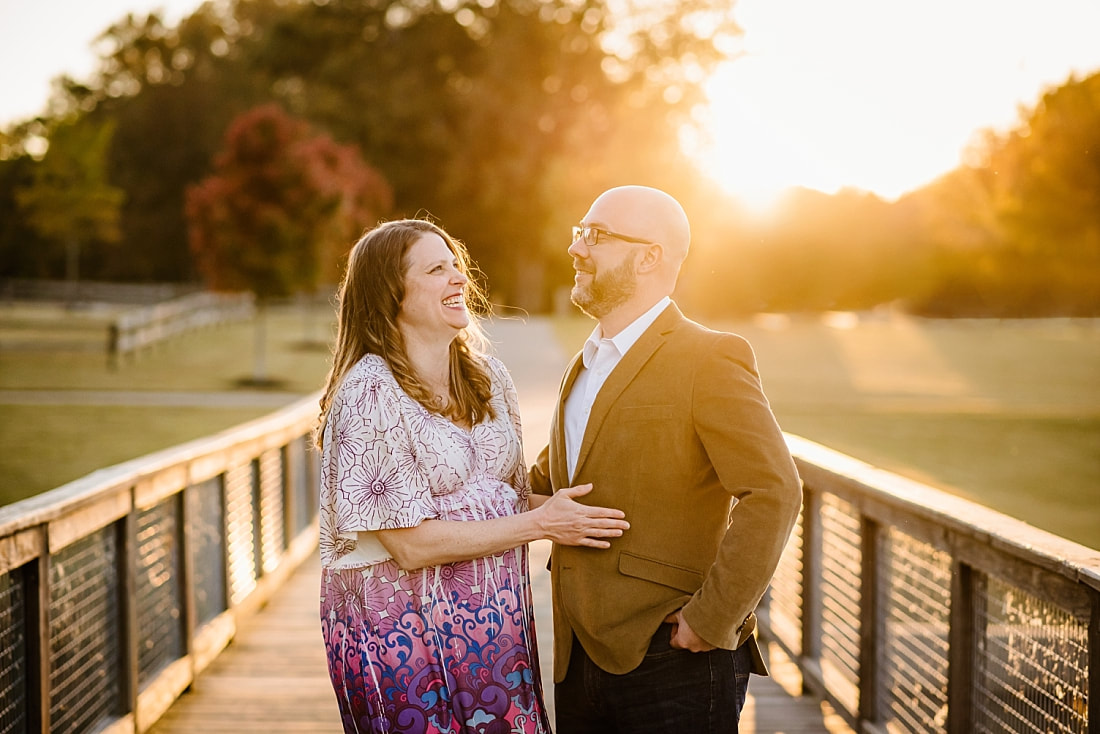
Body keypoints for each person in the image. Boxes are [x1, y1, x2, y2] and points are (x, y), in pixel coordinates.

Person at [314, 218, 630, 734]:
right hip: (399, 633)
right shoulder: (368, 392)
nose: (459, 278)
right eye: (437, 269)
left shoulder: (488, 377)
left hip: (493, 621)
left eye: (455, 264)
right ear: (390, 291)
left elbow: (508, 496)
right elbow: (409, 545)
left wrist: (572, 510)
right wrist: (544, 525)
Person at [530, 186, 803, 733]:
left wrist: (711, 619)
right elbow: (543, 482)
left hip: (676, 657)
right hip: (576, 658)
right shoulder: (584, 365)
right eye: (579, 232)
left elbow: (774, 492)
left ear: (649, 256)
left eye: (597, 235)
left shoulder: (710, 357)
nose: (577, 248)